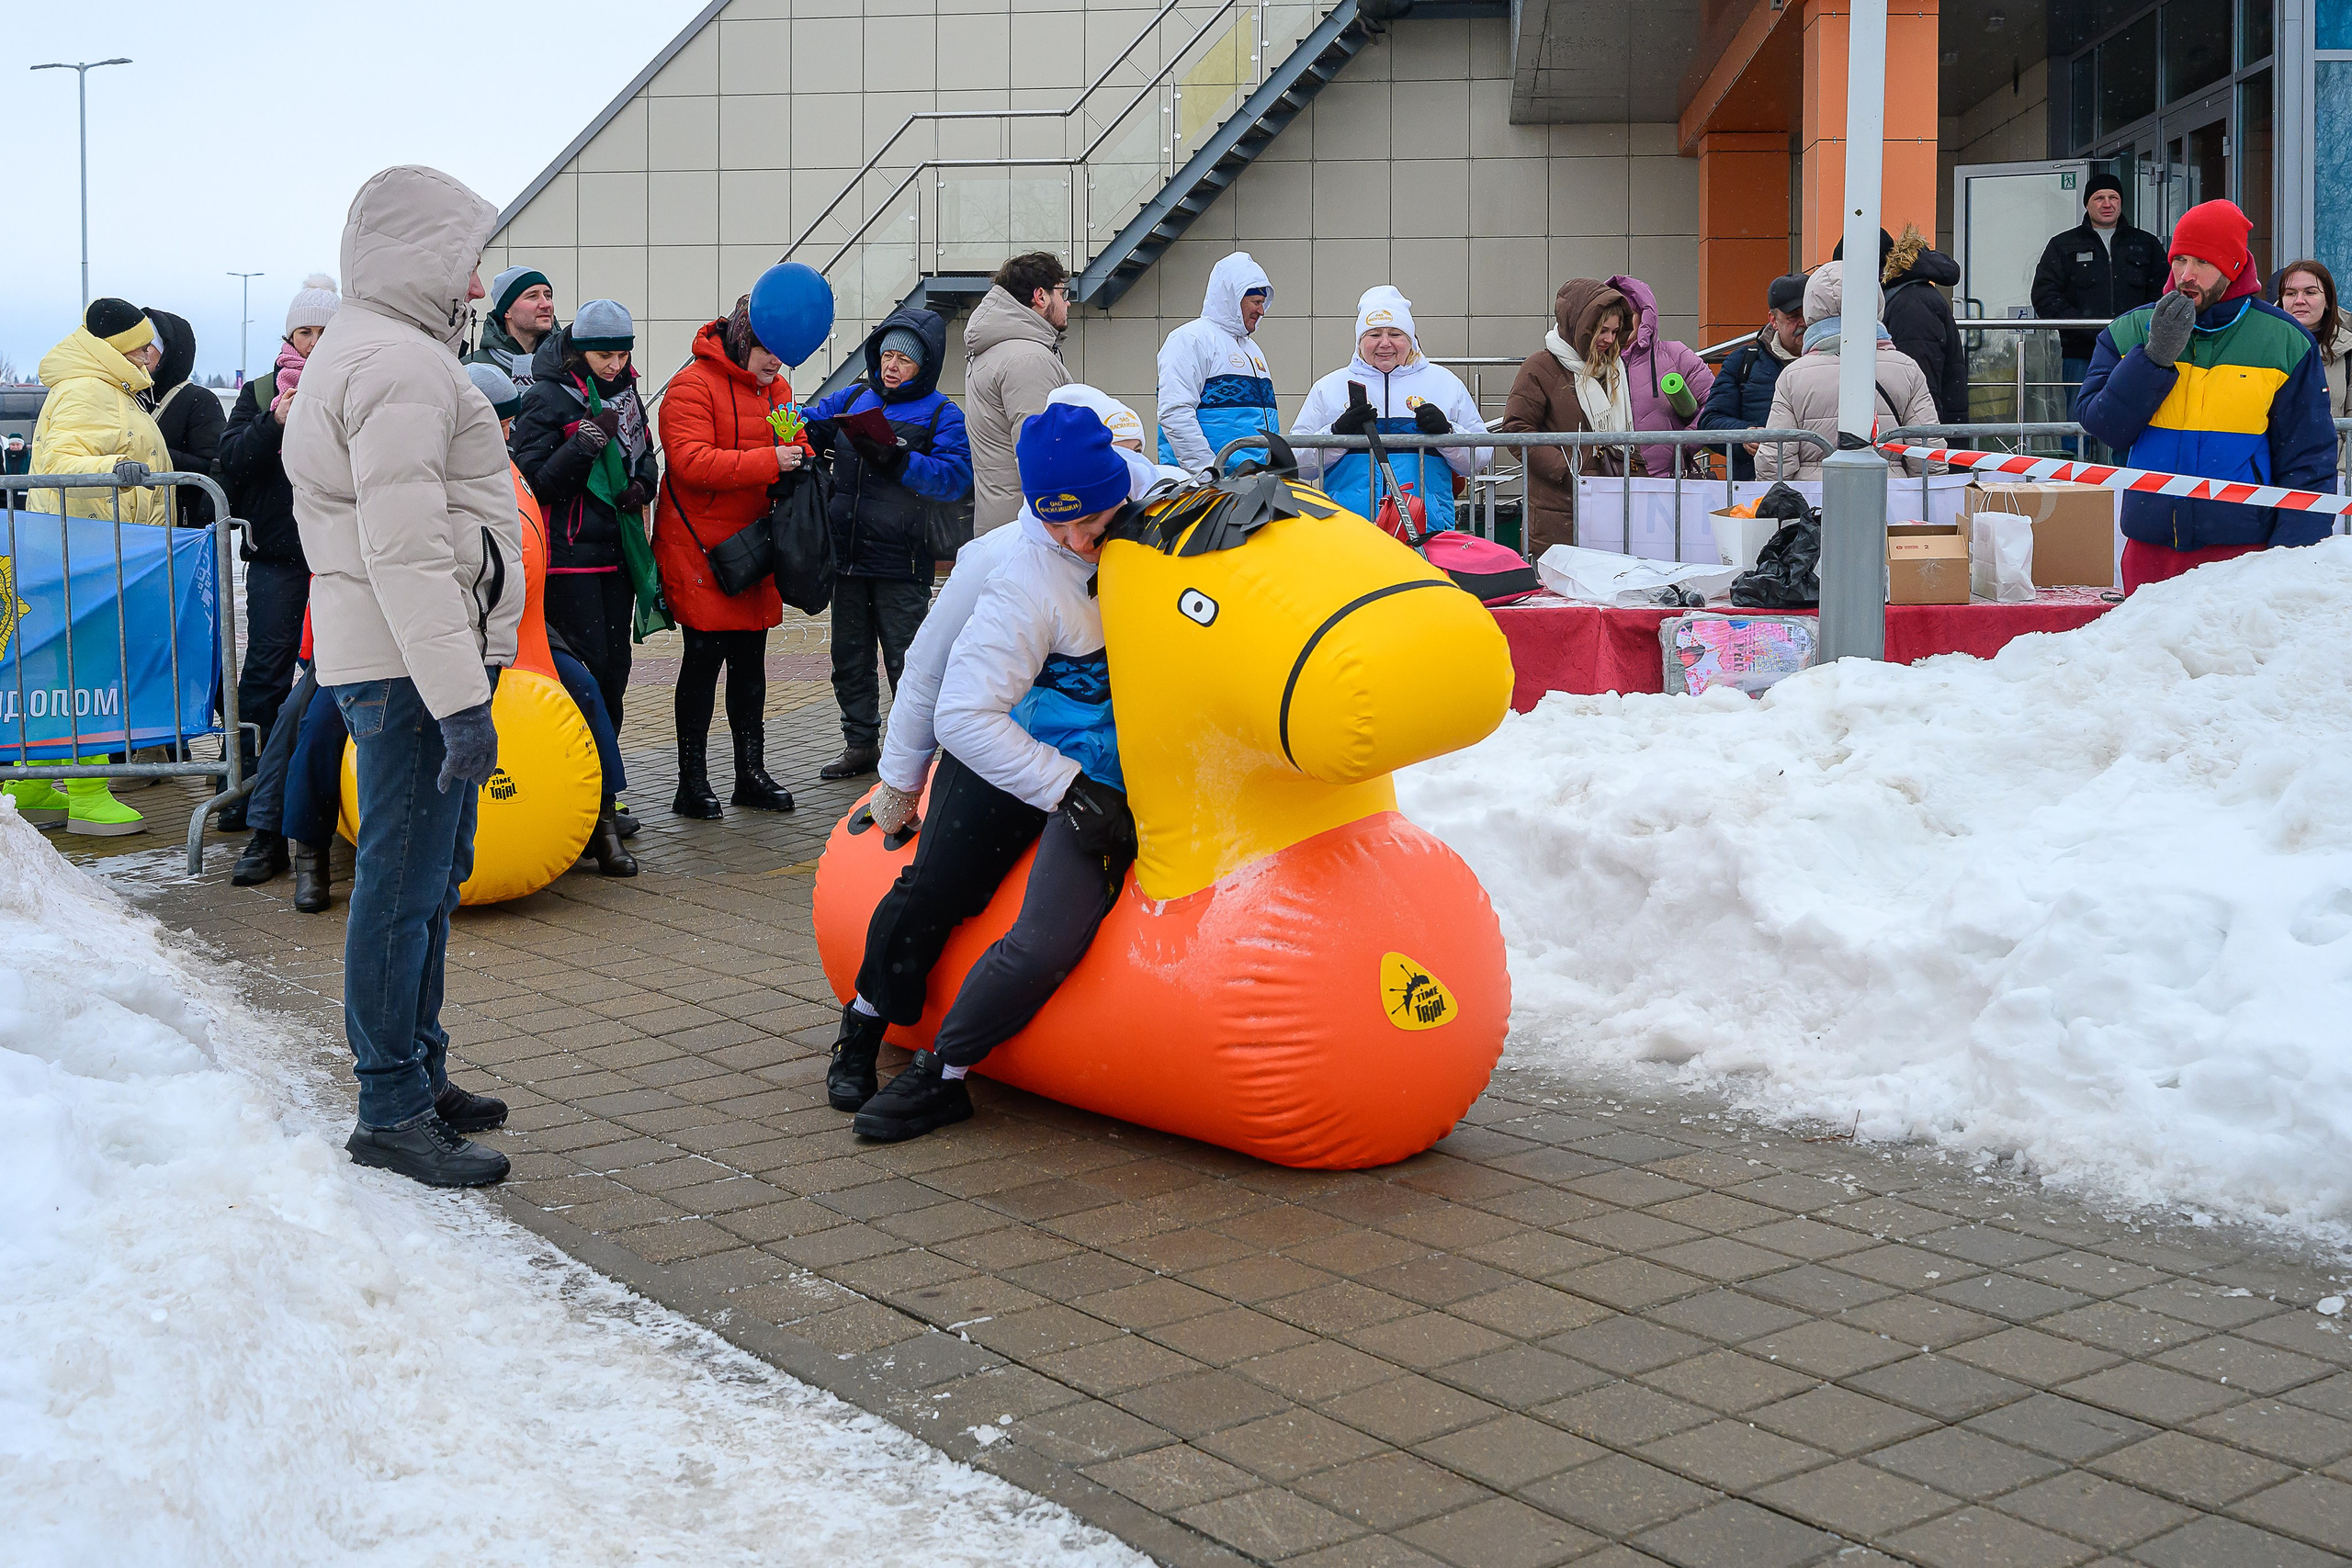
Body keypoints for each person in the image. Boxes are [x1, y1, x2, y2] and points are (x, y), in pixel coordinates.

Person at [825, 386, 1167, 1116]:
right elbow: (930, 670)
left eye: (1094, 522)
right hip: (1006, 744)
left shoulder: (1155, 506)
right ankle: (863, 1022)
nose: (1080, 540)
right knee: (941, 887)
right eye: (1061, 525)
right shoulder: (1006, 562)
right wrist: (898, 780)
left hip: (1103, 750)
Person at [282, 164, 521, 1189]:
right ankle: (390, 1104)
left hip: (405, 659)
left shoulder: (371, 350)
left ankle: (416, 1072)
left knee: (425, 885)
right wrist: (460, 697)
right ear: (425, 255)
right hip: (418, 667)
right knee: (402, 888)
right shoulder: (398, 366)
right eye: (468, 260)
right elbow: (408, 550)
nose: (478, 286)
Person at [2078, 199, 2337, 594]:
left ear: (2233, 266)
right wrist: (2153, 358)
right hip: (2150, 548)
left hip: (2244, 552)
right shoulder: (2131, 329)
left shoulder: (2285, 341)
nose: (2186, 275)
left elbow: (2307, 460)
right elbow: (2102, 424)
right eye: (2179, 259)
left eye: (2202, 262)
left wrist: (2292, 560)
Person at [467, 359, 634, 876]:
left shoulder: (510, 471)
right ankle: (288, 835)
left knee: (585, 687)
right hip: (451, 635)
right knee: (315, 714)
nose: (508, 431)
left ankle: (603, 820)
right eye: (499, 422)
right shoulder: (435, 473)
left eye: (508, 422)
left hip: (525, 628)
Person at [651, 294, 810, 820]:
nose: (775, 364)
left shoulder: (778, 389)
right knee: (702, 663)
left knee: (751, 665)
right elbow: (690, 462)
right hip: (701, 550)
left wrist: (803, 455)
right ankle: (690, 781)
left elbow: (796, 442)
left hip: (756, 548)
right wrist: (772, 461)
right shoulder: (691, 386)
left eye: (781, 355)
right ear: (744, 339)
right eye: (767, 351)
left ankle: (751, 774)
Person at [21, 299, 175, 838]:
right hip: (87, 557)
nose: (153, 355)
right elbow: (56, 464)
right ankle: (86, 795)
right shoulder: (87, 389)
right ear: (116, 348)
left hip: (97, 551)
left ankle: (31, 785)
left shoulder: (113, 389)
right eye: (142, 345)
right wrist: (113, 469)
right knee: (90, 673)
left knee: (68, 671)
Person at [803, 309, 970, 781]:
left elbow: (955, 479)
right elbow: (806, 421)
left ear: (926, 366)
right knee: (850, 659)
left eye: (905, 360)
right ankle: (859, 744)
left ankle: (912, 752)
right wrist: (799, 428)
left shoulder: (942, 414)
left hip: (902, 560)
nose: (892, 366)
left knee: (908, 661)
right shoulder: (853, 396)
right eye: (887, 355)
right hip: (847, 557)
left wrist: (900, 461)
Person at [512, 298, 660, 788]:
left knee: (615, 674)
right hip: (568, 561)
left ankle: (605, 789)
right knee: (585, 676)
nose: (616, 367)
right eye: (605, 358)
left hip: (617, 555)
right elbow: (534, 482)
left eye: (623, 356)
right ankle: (574, 786)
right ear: (580, 353)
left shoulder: (628, 392)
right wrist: (584, 443)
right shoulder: (547, 396)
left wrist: (642, 483)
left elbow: (645, 457)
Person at [215, 273, 337, 838]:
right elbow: (232, 461)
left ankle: (319, 791)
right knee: (266, 673)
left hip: (339, 552)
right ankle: (239, 786)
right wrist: (274, 423)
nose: (313, 342)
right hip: (278, 556)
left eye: (323, 330)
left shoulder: (350, 382)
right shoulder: (262, 392)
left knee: (337, 672)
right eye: (304, 332)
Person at [1293, 287, 1488, 535]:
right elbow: (1299, 465)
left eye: (1395, 333)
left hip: (1426, 530)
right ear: (1359, 340)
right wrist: (1336, 434)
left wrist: (1448, 434)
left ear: (1411, 338)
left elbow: (1479, 459)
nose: (1385, 343)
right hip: (1348, 532)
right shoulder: (1328, 388)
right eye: (1374, 334)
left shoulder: (1445, 383)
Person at [1757, 261, 1940, 481]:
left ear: (1811, 306)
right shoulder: (1906, 368)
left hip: (1814, 503)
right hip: (1890, 499)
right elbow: (1928, 454)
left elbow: (1775, 460)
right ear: (1874, 300)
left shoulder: (1794, 375)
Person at [1503, 278, 1644, 551]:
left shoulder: (1614, 369)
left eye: (1615, 332)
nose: (1609, 339)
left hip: (1608, 503)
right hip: (1558, 508)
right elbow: (1515, 429)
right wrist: (1567, 469)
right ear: (1580, 326)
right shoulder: (1540, 366)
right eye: (1602, 330)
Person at [2032, 173, 2167, 400]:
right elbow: (2044, 295)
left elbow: (2163, 292)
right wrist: (2082, 328)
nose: (2107, 204)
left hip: (2134, 351)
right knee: (2078, 423)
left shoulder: (2146, 243)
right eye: (2099, 198)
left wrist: (2139, 329)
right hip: (2081, 353)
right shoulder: (2063, 244)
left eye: (2113, 197)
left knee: (2131, 415)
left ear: (2121, 202)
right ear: (2087, 204)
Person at [964, 252, 1071, 533]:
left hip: (1002, 525)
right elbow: (1042, 458)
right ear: (1041, 296)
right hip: (1032, 532)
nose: (1068, 301)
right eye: (1062, 292)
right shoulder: (1027, 359)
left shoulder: (999, 349)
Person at [1155, 252, 1278, 473]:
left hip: (1251, 485)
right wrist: (1208, 474)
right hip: (1206, 489)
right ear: (1234, 298)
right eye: (1256, 302)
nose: (1261, 311)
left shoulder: (1252, 349)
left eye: (1263, 303)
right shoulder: (1189, 340)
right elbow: (1174, 412)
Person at [1838, 225, 1969, 424]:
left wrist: (1919, 448)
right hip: (1921, 439)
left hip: (1921, 441)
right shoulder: (1905, 298)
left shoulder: (1910, 304)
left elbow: (1921, 392)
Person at [1698, 274, 1808, 481]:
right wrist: (1744, 436)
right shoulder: (1742, 362)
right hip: (1757, 491)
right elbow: (1709, 422)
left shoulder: (1837, 360)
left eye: (1809, 314)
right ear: (1773, 320)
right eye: (1793, 316)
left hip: (1818, 489)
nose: (1803, 323)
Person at [1605, 273, 1714, 479]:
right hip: (1611, 485)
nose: (1623, 323)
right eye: (1616, 316)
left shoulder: (1676, 355)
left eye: (1629, 314)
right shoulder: (1594, 364)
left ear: (1645, 316)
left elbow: (1715, 403)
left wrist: (1684, 444)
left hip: (1669, 484)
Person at [139, 310, 226, 525]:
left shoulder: (199, 400)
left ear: (167, 352)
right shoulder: (129, 399)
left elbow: (212, 467)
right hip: (137, 529)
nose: (140, 356)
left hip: (184, 531)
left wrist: (146, 453)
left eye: (147, 347)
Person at [2273, 260, 2352, 420]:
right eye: (2290, 293)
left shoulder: (2348, 352)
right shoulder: (2261, 347)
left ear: (2328, 301)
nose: (2299, 300)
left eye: (2310, 292)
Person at [466, 265, 557, 390]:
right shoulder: (471, 369)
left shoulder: (568, 365)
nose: (546, 304)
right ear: (506, 311)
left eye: (548, 296)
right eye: (532, 297)